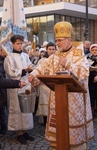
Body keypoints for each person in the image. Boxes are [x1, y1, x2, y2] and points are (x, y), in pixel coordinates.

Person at [28, 21, 94, 149]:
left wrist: (69, 64)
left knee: (74, 139)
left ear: (68, 39)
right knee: (58, 137)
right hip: (57, 100)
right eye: (56, 40)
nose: (57, 43)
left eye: (60, 40)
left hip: (74, 102)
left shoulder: (78, 54)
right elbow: (42, 67)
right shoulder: (54, 56)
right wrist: (33, 75)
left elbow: (85, 73)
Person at [4, 35, 34, 145]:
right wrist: (24, 70)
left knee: (26, 109)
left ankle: (25, 130)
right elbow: (10, 73)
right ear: (12, 44)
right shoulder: (9, 57)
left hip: (26, 86)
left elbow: (30, 68)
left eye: (21, 43)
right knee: (17, 109)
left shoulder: (26, 56)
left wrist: (31, 72)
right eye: (17, 43)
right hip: (15, 87)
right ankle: (19, 133)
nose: (19, 45)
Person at [88, 44, 97, 117]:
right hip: (91, 81)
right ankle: (92, 113)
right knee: (92, 97)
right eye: (93, 50)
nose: (94, 51)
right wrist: (94, 77)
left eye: (96, 50)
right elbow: (87, 70)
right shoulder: (88, 58)